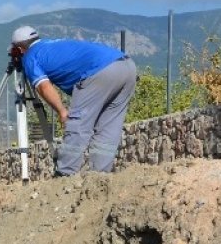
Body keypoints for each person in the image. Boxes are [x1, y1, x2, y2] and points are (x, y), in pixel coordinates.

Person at [11, 25, 138, 176]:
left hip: (98, 72)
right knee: (109, 127)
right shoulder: (50, 45)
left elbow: (44, 87)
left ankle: (65, 173)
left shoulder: (30, 57)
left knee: (78, 125)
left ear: (19, 49)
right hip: (126, 65)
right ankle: (99, 175)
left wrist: (62, 112)